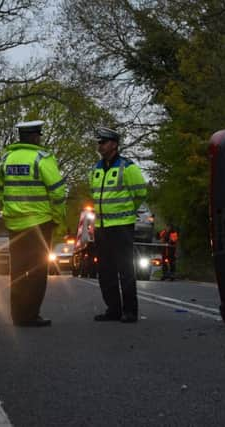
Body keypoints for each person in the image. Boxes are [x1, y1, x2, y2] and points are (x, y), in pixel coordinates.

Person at [0, 120, 66, 327]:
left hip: (14, 223)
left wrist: (10, 210)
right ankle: (31, 314)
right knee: (36, 271)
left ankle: (17, 315)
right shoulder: (41, 158)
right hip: (39, 223)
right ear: (36, 137)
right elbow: (58, 192)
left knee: (17, 270)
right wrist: (57, 217)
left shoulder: (6, 159)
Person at [91, 126, 147, 323]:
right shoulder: (96, 169)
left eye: (103, 142)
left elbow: (140, 193)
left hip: (122, 226)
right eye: (99, 142)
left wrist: (128, 211)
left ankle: (130, 311)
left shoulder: (128, 167)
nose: (100, 146)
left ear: (114, 144)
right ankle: (113, 309)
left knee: (125, 270)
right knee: (105, 271)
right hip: (102, 227)